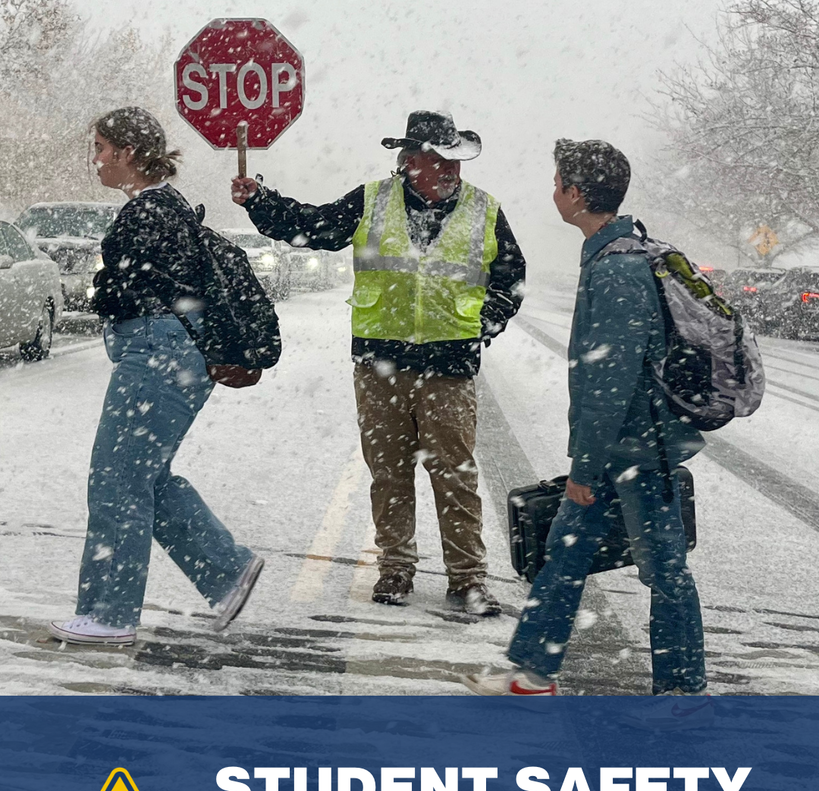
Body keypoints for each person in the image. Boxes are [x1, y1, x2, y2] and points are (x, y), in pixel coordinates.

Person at [232, 110, 525, 615]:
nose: (452, 170)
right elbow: (313, 227)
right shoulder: (372, 200)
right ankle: (395, 570)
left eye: (455, 160)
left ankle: (467, 578)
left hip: (450, 368)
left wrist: (482, 328)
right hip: (379, 364)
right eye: (439, 160)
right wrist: (261, 201)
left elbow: (512, 280)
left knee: (455, 476)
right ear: (410, 162)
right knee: (388, 474)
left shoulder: (484, 209)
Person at [464, 138, 706, 693]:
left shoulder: (617, 269)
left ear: (575, 194)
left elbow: (609, 381)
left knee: (664, 571)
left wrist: (585, 469)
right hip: (631, 447)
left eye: (557, 184)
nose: (553, 193)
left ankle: (684, 691)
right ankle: (532, 673)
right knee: (564, 555)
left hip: (638, 453)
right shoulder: (616, 253)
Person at [49, 107, 264, 646]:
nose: (94, 160)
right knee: (146, 478)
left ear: (126, 153)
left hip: (159, 353)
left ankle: (109, 614)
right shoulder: (163, 207)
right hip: (172, 354)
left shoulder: (151, 213)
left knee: (117, 480)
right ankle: (227, 571)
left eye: (100, 148)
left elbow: (131, 295)